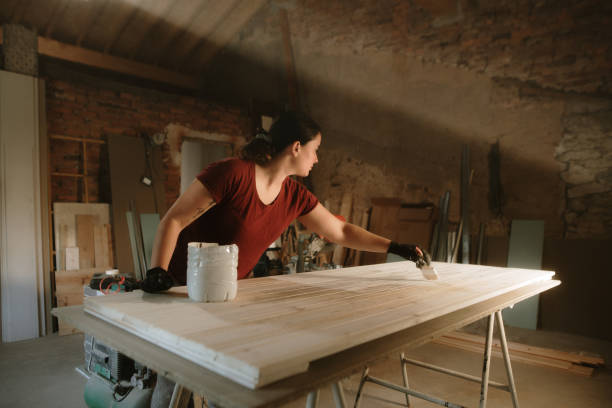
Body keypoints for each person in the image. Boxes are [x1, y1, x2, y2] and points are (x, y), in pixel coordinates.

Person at [143, 111, 429, 406]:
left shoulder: (294, 195)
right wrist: (157, 271)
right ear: (296, 147)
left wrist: (396, 246)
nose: (316, 159)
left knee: (227, 385)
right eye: (315, 150)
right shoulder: (232, 173)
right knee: (174, 388)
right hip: (181, 288)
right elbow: (174, 219)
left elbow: (340, 230)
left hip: (227, 295)